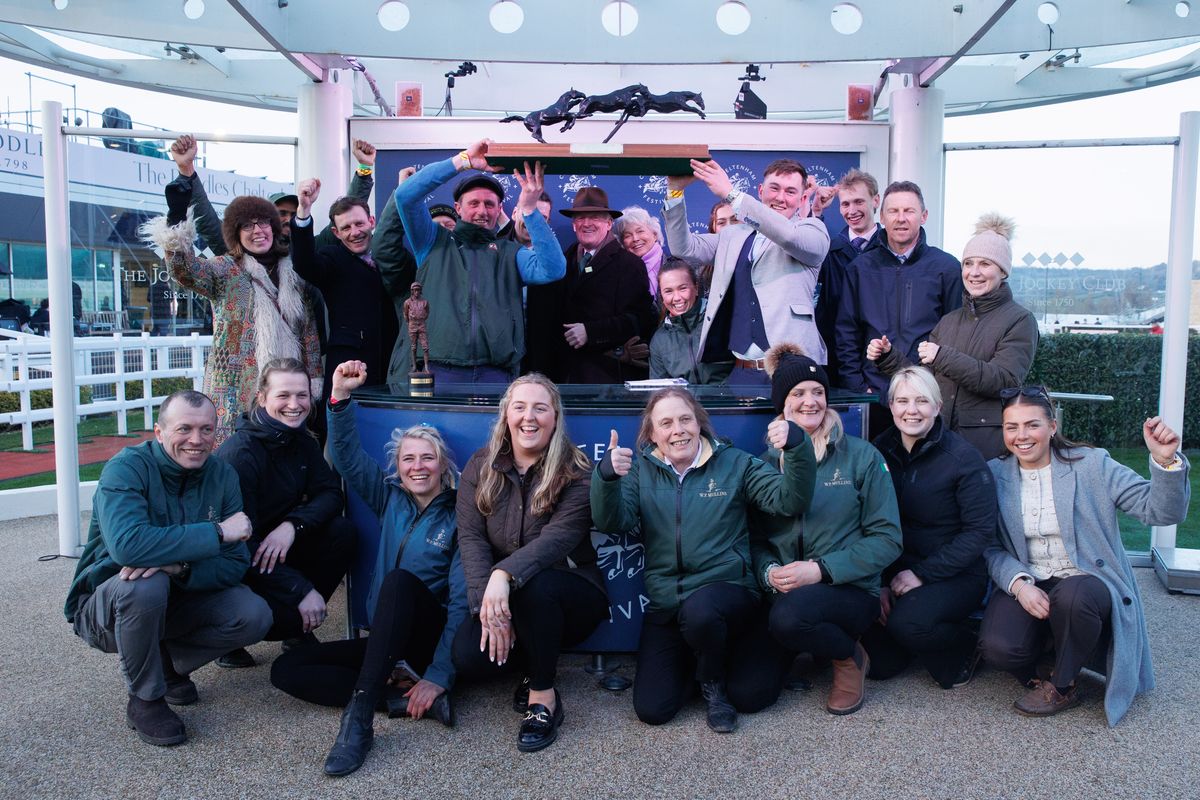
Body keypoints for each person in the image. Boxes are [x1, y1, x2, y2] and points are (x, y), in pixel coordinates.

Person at [269, 360, 467, 776]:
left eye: (427, 458)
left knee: (399, 582)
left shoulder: (459, 517)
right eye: (408, 458)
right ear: (397, 467)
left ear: (443, 465)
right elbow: (345, 455)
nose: (417, 466)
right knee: (287, 669)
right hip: (386, 642)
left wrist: (439, 674)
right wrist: (339, 398)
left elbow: (463, 601)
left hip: (426, 643)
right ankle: (394, 698)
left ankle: (359, 719)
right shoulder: (389, 500)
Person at [592, 387, 816, 733]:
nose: (677, 429)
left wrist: (797, 446)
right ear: (652, 434)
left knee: (748, 689)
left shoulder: (735, 463)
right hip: (668, 604)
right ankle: (704, 663)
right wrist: (606, 477)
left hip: (727, 594)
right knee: (653, 710)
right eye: (665, 423)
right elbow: (613, 522)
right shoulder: (642, 472)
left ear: (699, 423)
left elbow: (790, 501)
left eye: (685, 419)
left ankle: (713, 684)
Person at [63, 390, 271, 746]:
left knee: (254, 613)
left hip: (181, 597)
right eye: (184, 429)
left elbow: (236, 562)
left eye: (207, 430)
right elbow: (128, 546)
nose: (196, 440)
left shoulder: (221, 475)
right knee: (145, 584)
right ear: (158, 433)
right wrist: (217, 532)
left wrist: (180, 566)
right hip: (108, 608)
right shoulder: (125, 469)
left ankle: (167, 667)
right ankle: (145, 699)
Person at [979, 387, 1189, 725]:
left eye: (1032, 425)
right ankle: (1055, 652)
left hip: (1085, 582)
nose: (1021, 436)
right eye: (1011, 427)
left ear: (1052, 426)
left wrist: (1165, 462)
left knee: (1074, 596)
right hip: (1031, 579)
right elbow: (988, 546)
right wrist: (1019, 584)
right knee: (999, 648)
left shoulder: (1092, 464)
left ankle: (1063, 685)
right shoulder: (993, 473)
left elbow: (1160, 513)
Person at [452, 374, 607, 752]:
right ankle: (533, 664)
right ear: (506, 415)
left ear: (555, 417)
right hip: (505, 596)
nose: (529, 417)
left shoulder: (576, 469)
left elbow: (557, 541)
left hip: (571, 593)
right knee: (468, 658)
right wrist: (485, 607)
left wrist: (504, 574)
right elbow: (470, 537)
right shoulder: (481, 464)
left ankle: (543, 696)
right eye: (519, 407)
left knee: (535, 586)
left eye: (540, 408)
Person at [753, 343, 902, 715]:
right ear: (781, 404)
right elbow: (754, 540)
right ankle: (811, 644)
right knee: (750, 693)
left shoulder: (862, 456)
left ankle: (848, 657)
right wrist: (768, 573)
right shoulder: (764, 463)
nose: (810, 401)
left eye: (818, 392)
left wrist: (821, 569)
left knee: (789, 617)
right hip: (784, 595)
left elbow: (887, 539)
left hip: (849, 591)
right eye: (798, 393)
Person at [143, 187, 322, 445]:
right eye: (247, 226)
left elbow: (308, 331)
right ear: (236, 234)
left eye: (263, 223)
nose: (257, 231)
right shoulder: (224, 269)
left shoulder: (294, 274)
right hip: (235, 389)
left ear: (273, 227)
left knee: (284, 453)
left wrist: (313, 379)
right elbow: (184, 270)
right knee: (235, 457)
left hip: (285, 389)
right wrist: (177, 215)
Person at [214, 359, 355, 665]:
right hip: (239, 562)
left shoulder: (302, 440)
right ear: (262, 398)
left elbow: (331, 493)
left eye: (302, 395)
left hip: (278, 547)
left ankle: (296, 629)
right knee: (271, 617)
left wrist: (293, 525)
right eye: (283, 395)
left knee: (342, 531)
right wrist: (300, 589)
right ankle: (228, 635)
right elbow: (240, 544)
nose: (295, 404)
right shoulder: (240, 455)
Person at [863, 366, 996, 689]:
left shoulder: (963, 459)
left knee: (909, 625)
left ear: (937, 407)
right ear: (891, 406)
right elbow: (867, 523)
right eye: (903, 401)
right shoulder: (877, 451)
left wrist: (922, 574)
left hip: (954, 573)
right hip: (896, 572)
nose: (912, 410)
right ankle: (910, 635)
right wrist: (879, 583)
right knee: (879, 664)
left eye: (922, 401)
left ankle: (966, 645)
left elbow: (979, 532)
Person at [868, 214, 1039, 459]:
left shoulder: (1020, 320)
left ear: (1003, 272)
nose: (974, 272)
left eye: (985, 264)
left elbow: (1004, 380)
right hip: (940, 440)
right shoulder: (949, 320)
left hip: (985, 448)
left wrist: (943, 356)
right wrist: (889, 358)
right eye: (968, 264)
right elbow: (925, 382)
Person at [395, 140, 565, 383]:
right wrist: (462, 161)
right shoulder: (433, 241)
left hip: (495, 374)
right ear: (458, 208)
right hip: (440, 372)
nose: (482, 211)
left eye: (489, 204)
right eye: (473, 203)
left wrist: (529, 210)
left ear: (499, 210)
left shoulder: (511, 252)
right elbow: (406, 196)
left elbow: (554, 269)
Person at [663, 158, 831, 385]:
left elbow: (788, 236)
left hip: (795, 368)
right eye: (774, 188)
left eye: (790, 191)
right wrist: (675, 193)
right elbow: (684, 248)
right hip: (743, 371)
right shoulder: (733, 235)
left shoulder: (812, 231)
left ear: (802, 199)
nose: (780, 197)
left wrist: (731, 194)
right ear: (761, 191)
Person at [834, 180, 963, 421]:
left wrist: (936, 386)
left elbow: (955, 336)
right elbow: (846, 332)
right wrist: (859, 387)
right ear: (882, 216)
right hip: (875, 394)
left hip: (926, 395)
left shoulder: (947, 268)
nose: (901, 218)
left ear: (923, 216)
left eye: (909, 211)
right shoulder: (860, 268)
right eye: (893, 211)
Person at [527, 187, 658, 384]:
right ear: (573, 225)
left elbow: (641, 318)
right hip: (564, 378)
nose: (586, 223)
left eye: (595, 217)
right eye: (580, 218)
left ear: (608, 223)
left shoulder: (629, 264)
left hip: (609, 378)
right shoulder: (562, 261)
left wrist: (592, 332)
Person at [166, 134, 377, 253]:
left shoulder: (310, 249)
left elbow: (349, 214)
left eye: (293, 214)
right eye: (280, 213)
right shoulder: (241, 252)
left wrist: (364, 169)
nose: (287, 219)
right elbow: (208, 223)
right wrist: (187, 171)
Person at [291, 182, 403, 401]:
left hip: (392, 367)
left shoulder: (392, 256)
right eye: (346, 228)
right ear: (336, 232)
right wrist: (303, 212)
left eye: (359, 224)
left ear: (371, 222)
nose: (355, 233)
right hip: (349, 369)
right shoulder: (333, 258)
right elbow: (304, 263)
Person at [816, 169, 882, 384]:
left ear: (875, 201)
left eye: (859, 202)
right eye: (845, 204)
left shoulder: (893, 251)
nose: (852, 210)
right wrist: (814, 210)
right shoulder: (827, 251)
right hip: (836, 366)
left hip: (884, 364)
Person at [648, 257, 732, 385]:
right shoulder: (659, 340)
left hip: (726, 402)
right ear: (662, 297)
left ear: (696, 288)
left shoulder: (720, 321)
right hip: (685, 404)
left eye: (682, 288)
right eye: (668, 291)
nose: (677, 298)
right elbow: (659, 391)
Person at [617, 205, 665, 300]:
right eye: (628, 235)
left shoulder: (676, 265)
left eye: (640, 231)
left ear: (655, 234)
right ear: (622, 243)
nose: (635, 239)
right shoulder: (619, 273)